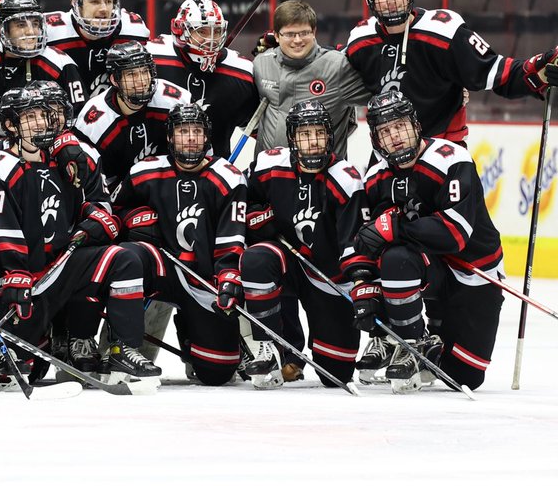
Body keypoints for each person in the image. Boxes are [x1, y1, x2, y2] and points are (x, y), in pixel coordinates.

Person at [0, 86, 161, 388]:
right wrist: (17, 271)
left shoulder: (68, 159)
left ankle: (124, 349)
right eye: (29, 117)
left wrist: (96, 221)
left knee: (123, 258)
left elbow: (94, 206)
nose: (40, 123)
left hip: (63, 262)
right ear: (9, 125)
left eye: (43, 116)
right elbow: (2, 227)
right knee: (19, 361)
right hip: (22, 274)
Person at [353, 91, 504, 393]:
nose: (394, 137)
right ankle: (408, 342)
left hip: (473, 272)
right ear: (375, 140)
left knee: (463, 376)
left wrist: (396, 226)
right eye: (384, 132)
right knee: (395, 257)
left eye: (399, 126)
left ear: (415, 125)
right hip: (425, 268)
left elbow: (455, 234)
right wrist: (365, 285)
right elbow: (368, 241)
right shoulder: (375, 178)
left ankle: (433, 337)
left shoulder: (452, 159)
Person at [346, 0, 558, 144]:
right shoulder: (360, 40)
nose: (392, 1)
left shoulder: (442, 31)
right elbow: (333, 74)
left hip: (443, 150)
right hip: (389, 157)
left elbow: (492, 70)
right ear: (371, 1)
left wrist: (536, 74)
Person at [110, 103, 246, 386]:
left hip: (204, 280)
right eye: (183, 132)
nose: (191, 138)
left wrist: (227, 274)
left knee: (217, 372)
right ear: (170, 137)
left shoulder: (228, 176)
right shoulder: (145, 171)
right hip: (162, 268)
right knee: (127, 256)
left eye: (197, 131)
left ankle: (191, 334)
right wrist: (134, 218)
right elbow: (116, 212)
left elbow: (231, 234)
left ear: (207, 137)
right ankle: (124, 347)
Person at [239, 100, 368, 389]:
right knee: (257, 259)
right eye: (304, 134)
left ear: (330, 137)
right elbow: (239, 201)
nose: (312, 142)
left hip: (328, 277)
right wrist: (256, 217)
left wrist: (361, 287)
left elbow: (354, 245)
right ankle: (269, 348)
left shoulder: (346, 179)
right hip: (285, 263)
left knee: (336, 374)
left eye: (319, 134)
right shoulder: (269, 163)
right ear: (292, 138)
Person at [253, 0, 371, 160]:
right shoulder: (262, 63)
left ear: (314, 32)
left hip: (323, 178)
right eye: (289, 34)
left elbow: (379, 89)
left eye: (304, 33)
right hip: (271, 176)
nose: (297, 40)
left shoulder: (337, 67)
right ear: (276, 36)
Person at [0, 0, 86, 144]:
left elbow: (79, 120)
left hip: (43, 155)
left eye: (35, 24)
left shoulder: (59, 63)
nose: (30, 31)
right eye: (21, 25)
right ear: (4, 29)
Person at [149, 0, 258, 159]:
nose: (211, 40)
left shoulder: (242, 72)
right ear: (180, 30)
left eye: (217, 31)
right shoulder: (152, 58)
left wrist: (273, 59)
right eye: (202, 31)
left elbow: (260, 127)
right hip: (159, 170)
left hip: (213, 173)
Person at [73, 41, 190, 192]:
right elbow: (91, 184)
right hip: (121, 197)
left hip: (175, 186)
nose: (141, 81)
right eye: (131, 74)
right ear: (115, 80)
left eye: (144, 72)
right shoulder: (94, 121)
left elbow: (199, 152)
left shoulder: (175, 100)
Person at [44, 0, 151, 95]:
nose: (104, 9)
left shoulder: (133, 29)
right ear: (74, 2)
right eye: (95, 1)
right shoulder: (51, 31)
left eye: (109, 1)